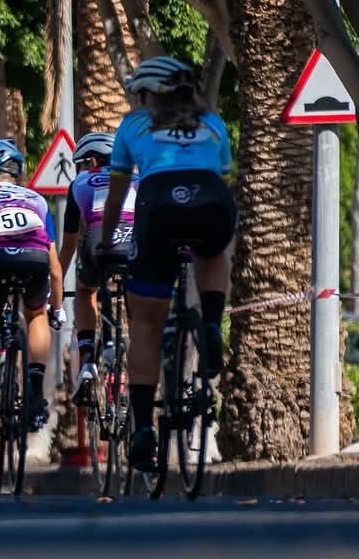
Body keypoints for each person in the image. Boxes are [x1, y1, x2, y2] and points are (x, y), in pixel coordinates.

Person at [101, 56, 235, 475]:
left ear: (148, 94)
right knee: (213, 252)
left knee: (145, 326)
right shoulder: (214, 124)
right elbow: (222, 173)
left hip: (157, 206)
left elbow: (116, 195)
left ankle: (143, 428)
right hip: (211, 198)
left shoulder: (134, 126)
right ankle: (211, 323)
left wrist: (106, 242)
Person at [0, 140, 64, 436]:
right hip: (36, 260)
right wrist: (58, 310)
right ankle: (36, 393)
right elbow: (55, 268)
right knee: (36, 314)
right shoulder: (36, 199)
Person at [59, 132, 139, 404]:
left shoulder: (80, 182)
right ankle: (140, 345)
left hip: (98, 242)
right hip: (134, 241)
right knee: (136, 286)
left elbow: (68, 247)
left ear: (91, 160)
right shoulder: (137, 179)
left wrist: (56, 287)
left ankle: (87, 361)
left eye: (81, 163)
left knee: (85, 291)